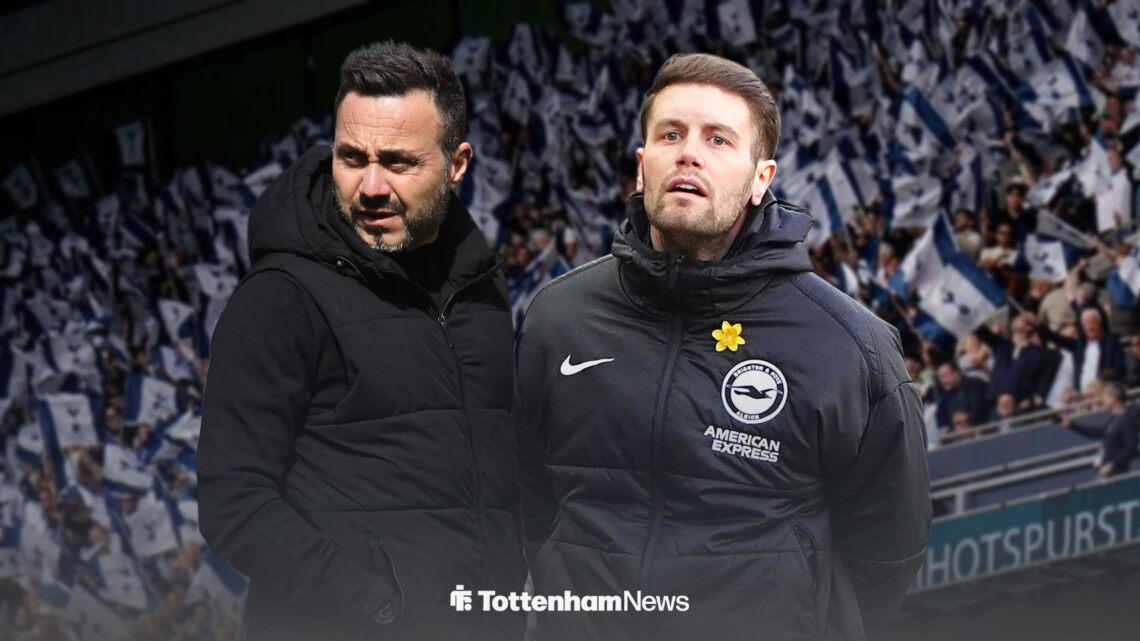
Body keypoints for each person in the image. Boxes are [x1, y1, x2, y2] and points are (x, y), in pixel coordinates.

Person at [514, 53, 931, 641]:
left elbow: (888, 550)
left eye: (718, 139)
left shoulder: (851, 348)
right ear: (642, 167)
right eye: (671, 134)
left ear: (761, 178)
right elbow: (532, 501)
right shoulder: (558, 317)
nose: (689, 152)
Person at [197, 41, 525, 641]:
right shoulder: (279, 298)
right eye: (353, 158)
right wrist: (378, 608)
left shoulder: (481, 290)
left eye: (398, 162)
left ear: (457, 164)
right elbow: (233, 503)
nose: (370, 186)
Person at [1060, 381, 1140, 478]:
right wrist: (1072, 425)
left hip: (1116, 473)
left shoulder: (1126, 420)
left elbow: (1131, 446)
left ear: (1113, 397)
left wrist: (1113, 465)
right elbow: (1096, 432)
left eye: (1105, 396)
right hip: (1106, 472)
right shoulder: (1114, 421)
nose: (1102, 400)